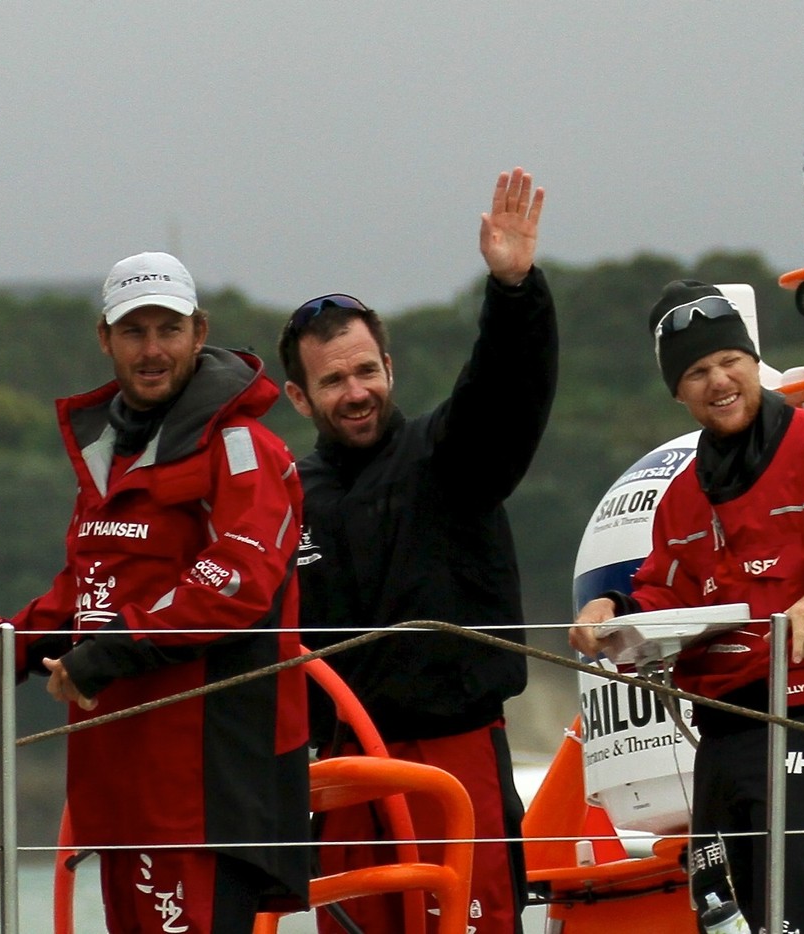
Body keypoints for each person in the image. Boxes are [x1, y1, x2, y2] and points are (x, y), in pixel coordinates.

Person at [569, 279, 804, 934]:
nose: (719, 380)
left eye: (729, 361)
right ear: (677, 392)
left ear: (753, 362)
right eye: (698, 371)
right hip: (718, 739)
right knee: (726, 921)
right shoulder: (682, 496)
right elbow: (664, 591)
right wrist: (611, 608)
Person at [0, 251, 311, 934]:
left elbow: (237, 579)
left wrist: (113, 649)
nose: (152, 350)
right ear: (105, 339)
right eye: (134, 331)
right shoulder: (109, 455)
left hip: (205, 789)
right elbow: (84, 590)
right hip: (120, 781)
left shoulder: (244, 446)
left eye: (168, 330)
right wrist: (0, 650)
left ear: (198, 331)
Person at [277, 166, 557, 933]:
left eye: (367, 370)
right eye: (334, 381)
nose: (357, 390)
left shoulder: (450, 457)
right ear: (300, 399)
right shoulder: (279, 498)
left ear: (390, 369)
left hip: (455, 761)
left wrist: (513, 290)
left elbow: (505, 391)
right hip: (340, 777)